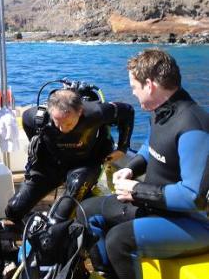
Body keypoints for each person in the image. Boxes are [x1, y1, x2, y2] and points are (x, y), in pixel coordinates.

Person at [78, 49, 209, 279]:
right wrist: (131, 168)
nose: (133, 94)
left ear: (149, 85)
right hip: (156, 207)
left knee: (119, 242)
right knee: (85, 211)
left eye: (134, 88)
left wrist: (136, 190)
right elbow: (151, 146)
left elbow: (192, 197)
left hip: (192, 222)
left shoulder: (193, 124)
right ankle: (106, 273)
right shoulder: (159, 112)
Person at [5, 89, 134, 222]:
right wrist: (40, 151)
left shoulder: (96, 112)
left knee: (59, 218)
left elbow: (128, 111)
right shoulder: (36, 117)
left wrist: (123, 148)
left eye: (68, 123)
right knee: (13, 210)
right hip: (52, 164)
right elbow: (27, 122)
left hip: (84, 164)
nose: (62, 129)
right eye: (57, 122)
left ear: (80, 111)